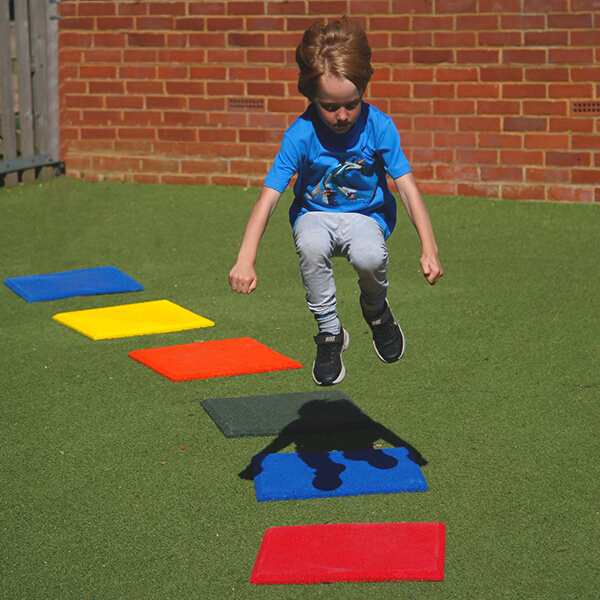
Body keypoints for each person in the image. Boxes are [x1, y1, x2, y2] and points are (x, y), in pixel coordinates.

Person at [229, 17, 443, 386]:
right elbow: (269, 197)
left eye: (352, 104)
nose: (342, 116)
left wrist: (429, 247)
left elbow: (407, 187)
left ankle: (376, 311)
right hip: (315, 213)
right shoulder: (300, 135)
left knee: (369, 257)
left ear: (363, 91)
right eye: (329, 107)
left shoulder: (379, 127)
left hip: (366, 216)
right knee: (311, 244)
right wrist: (245, 259)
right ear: (310, 96)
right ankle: (330, 332)